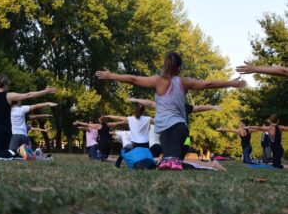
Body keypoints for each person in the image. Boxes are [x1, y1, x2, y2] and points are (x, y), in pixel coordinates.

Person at [96, 52, 245, 170]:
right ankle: (206, 164)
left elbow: (133, 79)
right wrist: (230, 83)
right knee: (171, 162)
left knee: (171, 164)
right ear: (178, 68)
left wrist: (111, 76)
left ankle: (212, 165)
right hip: (176, 129)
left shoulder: (158, 80)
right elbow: (208, 83)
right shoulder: (184, 81)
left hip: (172, 129)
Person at [0, 73, 56, 159]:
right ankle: (30, 153)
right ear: (5, 85)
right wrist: (46, 91)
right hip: (7, 131)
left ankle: (19, 151)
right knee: (5, 152)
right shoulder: (10, 95)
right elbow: (29, 95)